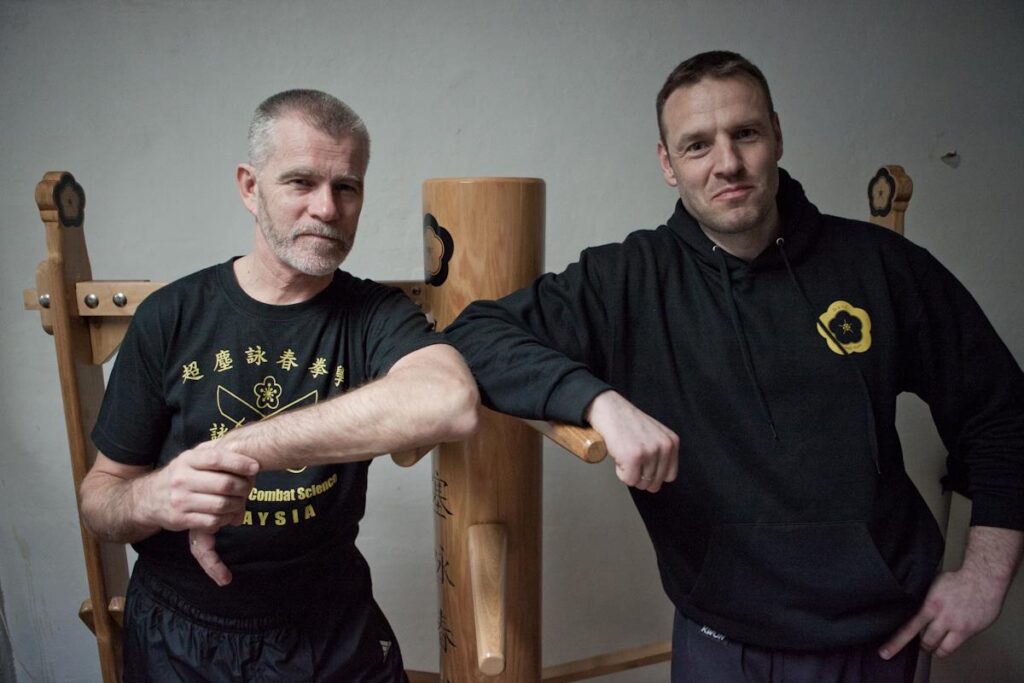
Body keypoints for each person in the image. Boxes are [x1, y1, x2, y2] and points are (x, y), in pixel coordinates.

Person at [444, 51, 1024, 682]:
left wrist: (985, 576)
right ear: (668, 164)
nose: (727, 162)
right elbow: (472, 336)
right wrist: (598, 402)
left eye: (744, 133)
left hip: (878, 644)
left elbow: (1001, 413)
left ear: (776, 135)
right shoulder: (627, 280)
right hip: (719, 644)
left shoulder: (881, 265)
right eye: (697, 145)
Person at [79, 89, 479, 682]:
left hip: (329, 627)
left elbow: (450, 400)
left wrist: (238, 449)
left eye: (347, 187)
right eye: (301, 182)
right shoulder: (172, 316)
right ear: (250, 186)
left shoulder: (373, 315)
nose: (327, 208)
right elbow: (99, 501)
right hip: (182, 632)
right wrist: (154, 497)